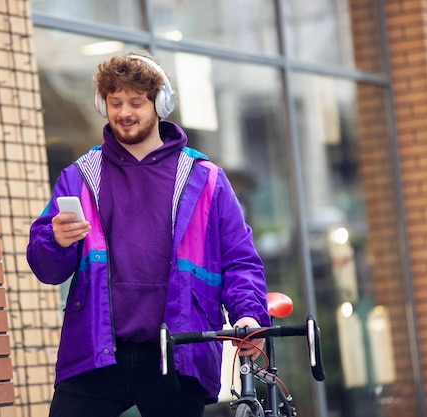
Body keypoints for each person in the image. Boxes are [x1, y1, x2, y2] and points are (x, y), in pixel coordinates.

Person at [27, 50, 271, 417]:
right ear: (102, 105)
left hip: (178, 351)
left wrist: (249, 314)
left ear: (160, 103)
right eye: (115, 102)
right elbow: (47, 268)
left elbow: (239, 259)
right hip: (97, 350)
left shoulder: (205, 179)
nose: (124, 112)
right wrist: (56, 242)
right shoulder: (79, 176)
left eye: (136, 102)